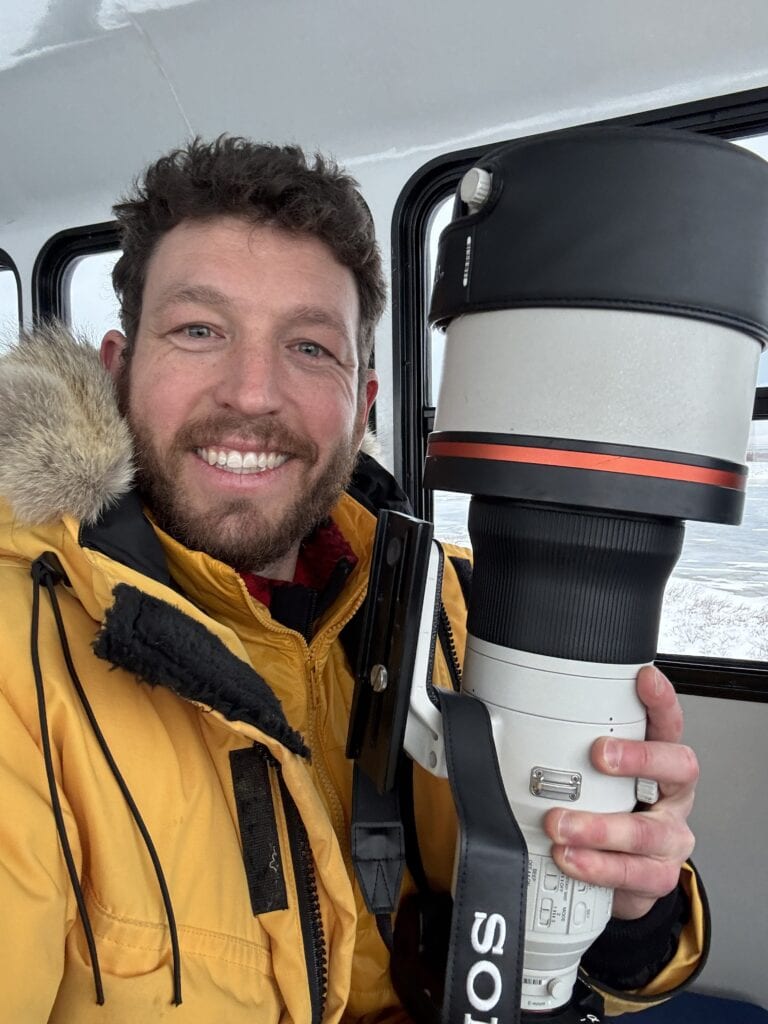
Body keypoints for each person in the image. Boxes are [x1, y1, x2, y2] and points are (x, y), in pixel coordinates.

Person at [0, 136, 706, 1023]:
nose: (253, 392)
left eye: (308, 347)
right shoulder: (18, 660)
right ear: (118, 370)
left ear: (363, 401)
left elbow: (571, 969)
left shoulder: (462, 606)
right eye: (198, 331)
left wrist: (631, 905)